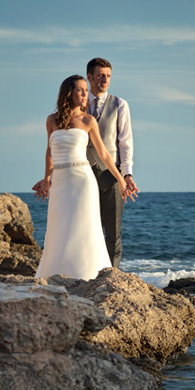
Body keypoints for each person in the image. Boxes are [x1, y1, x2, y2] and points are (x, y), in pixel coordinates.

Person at [32, 75, 128, 281]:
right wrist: (46, 179)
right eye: (81, 90)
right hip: (59, 182)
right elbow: (49, 151)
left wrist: (121, 180)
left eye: (87, 90)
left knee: (83, 226)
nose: (86, 94)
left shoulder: (88, 121)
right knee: (59, 227)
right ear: (69, 93)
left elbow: (104, 155)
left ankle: (87, 275)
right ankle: (56, 273)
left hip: (82, 180)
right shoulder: (52, 120)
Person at [85, 58, 139, 267]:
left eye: (108, 75)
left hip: (112, 174)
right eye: (100, 76)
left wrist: (127, 174)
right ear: (90, 77)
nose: (105, 80)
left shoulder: (120, 104)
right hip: (84, 174)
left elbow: (125, 143)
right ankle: (89, 270)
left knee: (113, 229)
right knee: (88, 226)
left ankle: (112, 273)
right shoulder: (78, 104)